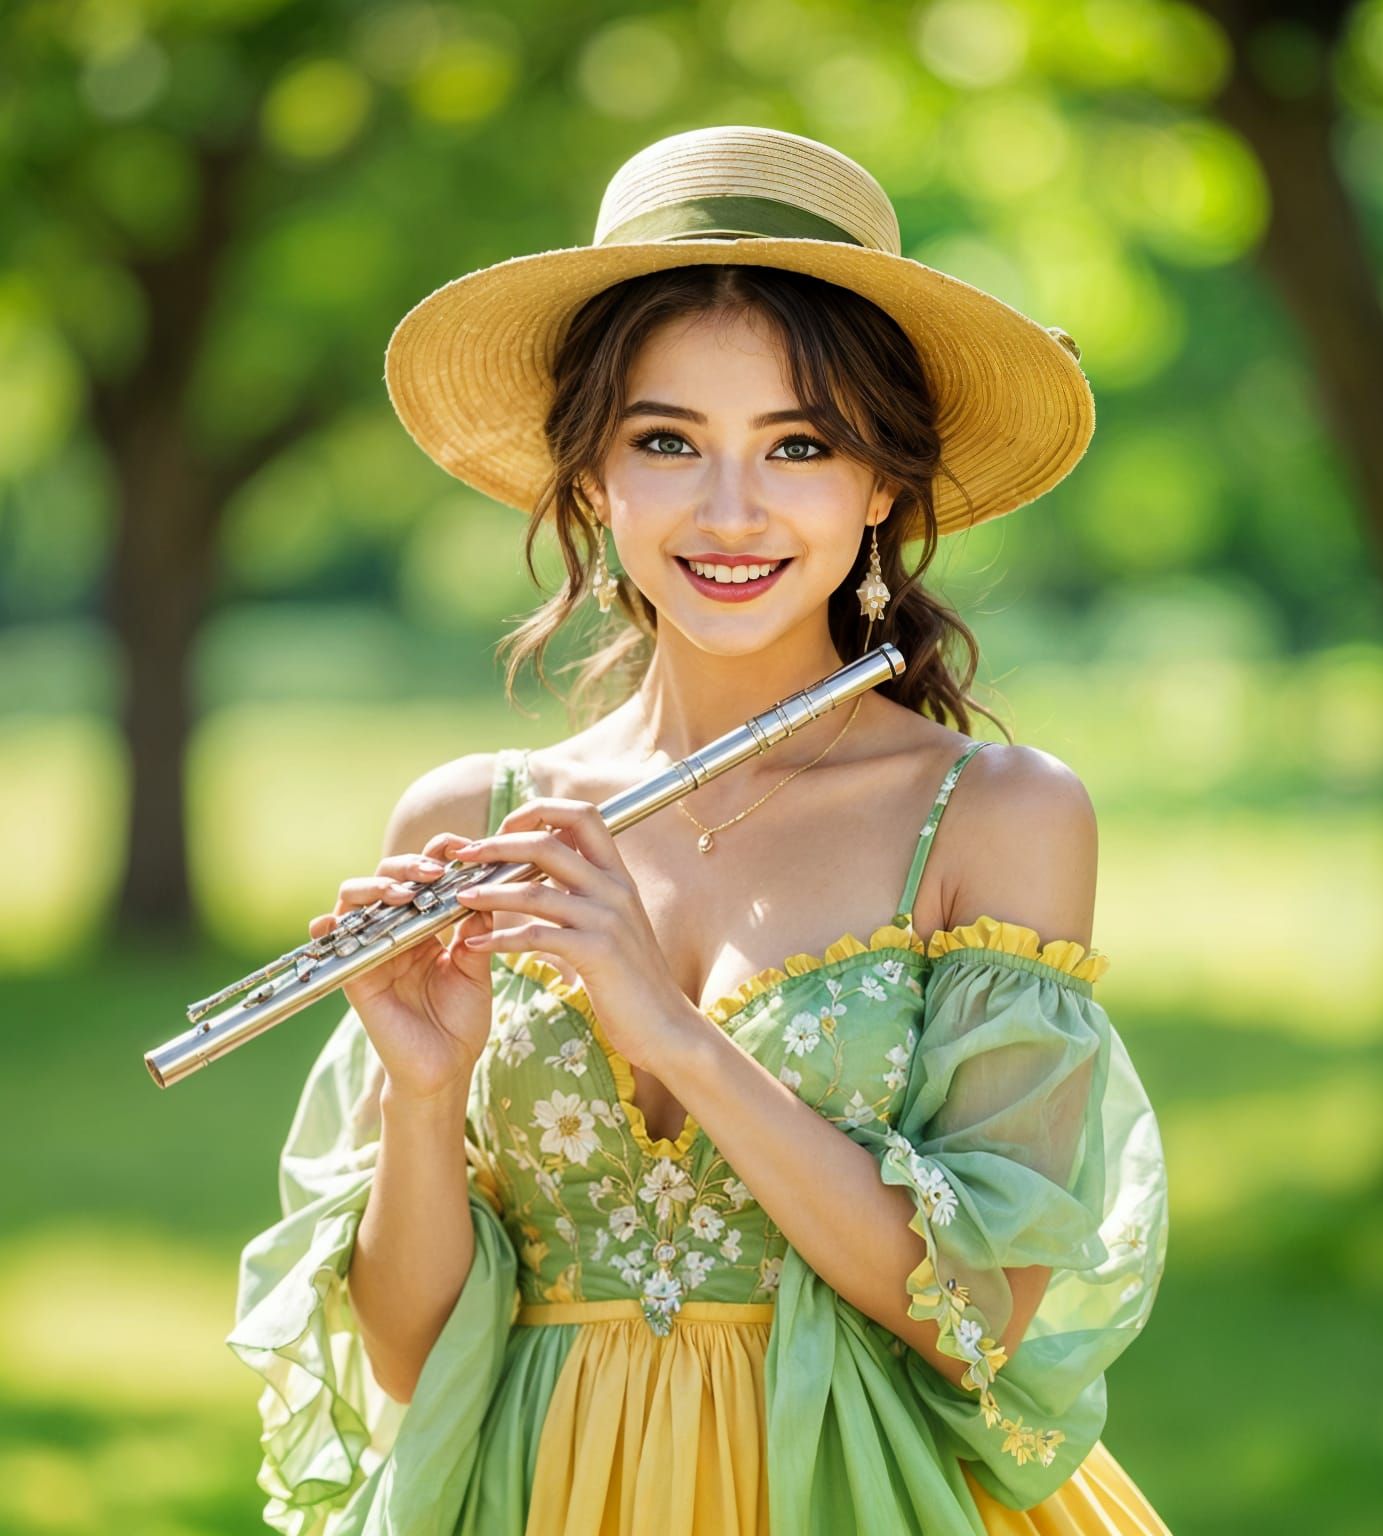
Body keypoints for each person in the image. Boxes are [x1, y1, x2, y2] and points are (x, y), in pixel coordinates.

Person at [227, 125, 1172, 1536]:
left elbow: (977, 1311)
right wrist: (425, 1093)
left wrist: (667, 1030)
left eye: (800, 444)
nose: (730, 509)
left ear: (882, 490)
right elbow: (413, 1362)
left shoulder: (1000, 816)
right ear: (594, 481)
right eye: (667, 440)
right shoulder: (470, 819)